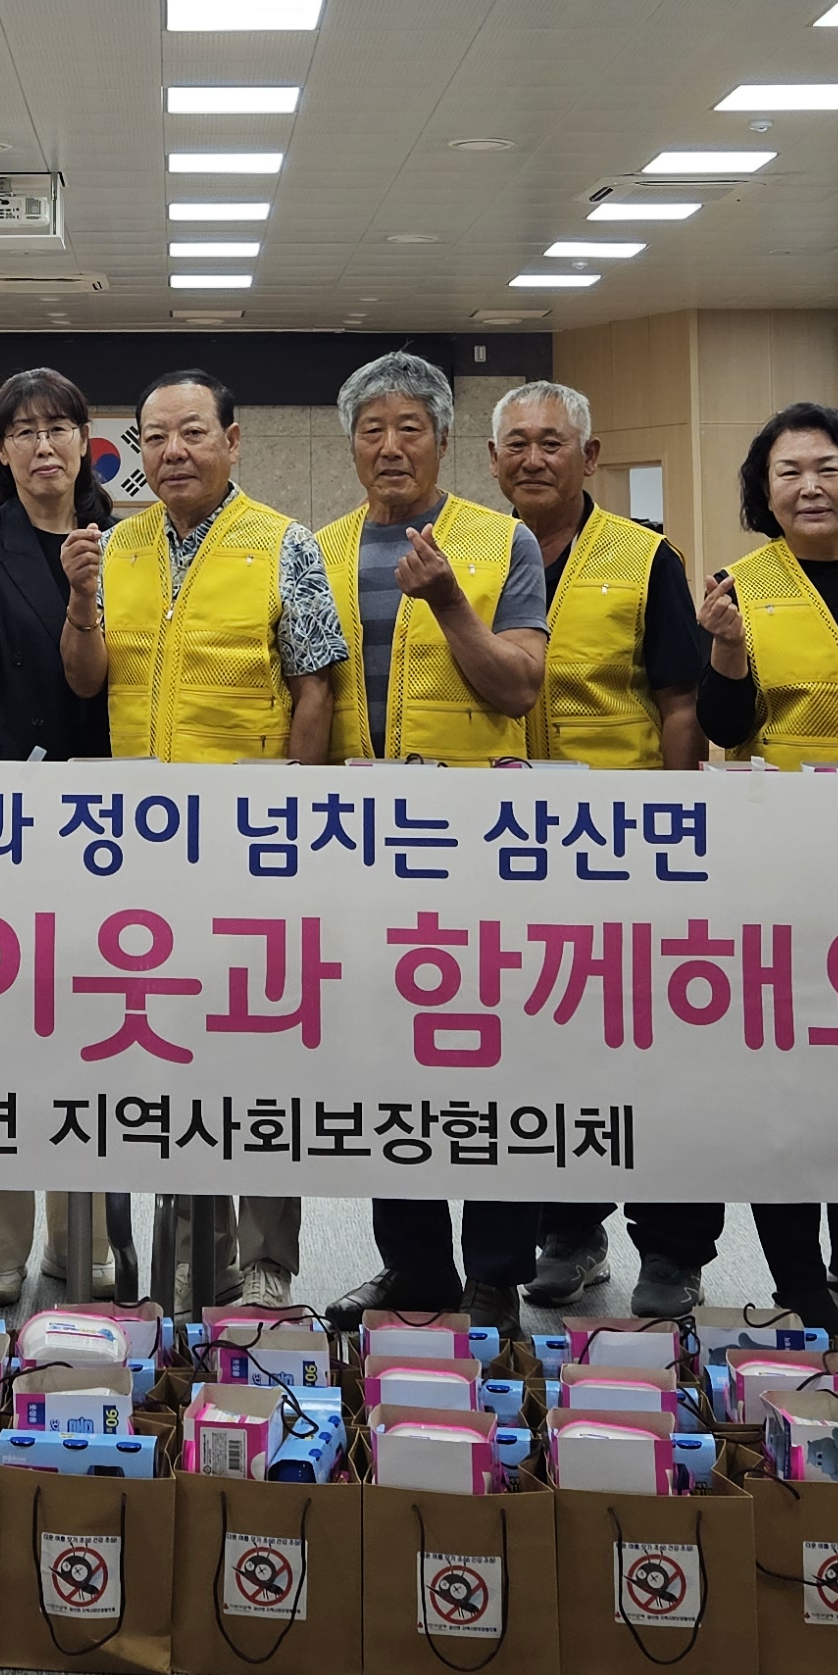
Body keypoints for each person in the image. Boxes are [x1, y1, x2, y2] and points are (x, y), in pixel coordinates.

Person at [60, 370, 345, 1306]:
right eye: (154, 437)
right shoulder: (116, 545)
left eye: (191, 432)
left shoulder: (285, 543)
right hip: (138, 845)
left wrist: (291, 818)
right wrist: (81, 601)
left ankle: (265, 1259)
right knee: (154, 1040)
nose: (172, 452)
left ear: (233, 439)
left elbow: (314, 686)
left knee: (257, 1050)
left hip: (248, 842)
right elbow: (86, 680)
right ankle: (168, 1250)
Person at [319, 352, 553, 1330]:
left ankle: (495, 1269)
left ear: (445, 441)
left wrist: (450, 599)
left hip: (478, 848)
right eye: (371, 429)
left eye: (409, 428)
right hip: (360, 845)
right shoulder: (319, 550)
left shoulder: (502, 543)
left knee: (489, 1053)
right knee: (384, 1055)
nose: (389, 446)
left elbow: (519, 688)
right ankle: (414, 1264)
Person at [483, 380, 716, 1319]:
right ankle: (570, 1232)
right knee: (544, 1046)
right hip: (508, 846)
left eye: (553, 442)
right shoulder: (475, 551)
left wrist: (675, 830)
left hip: (622, 844)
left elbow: (679, 701)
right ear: (493, 461)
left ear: (589, 456)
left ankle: (674, 1248)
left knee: (653, 1052)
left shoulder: (645, 556)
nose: (533, 458)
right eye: (517, 444)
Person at [696, 402, 838, 1323]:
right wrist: (726, 649)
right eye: (787, 473)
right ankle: (796, 1282)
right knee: (784, 1079)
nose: (810, 486)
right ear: (763, 493)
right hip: (786, 866)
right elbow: (724, 729)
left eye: (828, 467)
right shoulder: (740, 588)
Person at [0, 370, 128, 1308]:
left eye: (58, 427)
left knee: (95, 1020)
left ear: (88, 440)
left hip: (103, 805)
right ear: (0, 450)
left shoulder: (129, 539)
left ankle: (79, 1233)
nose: (42, 445)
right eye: (22, 431)